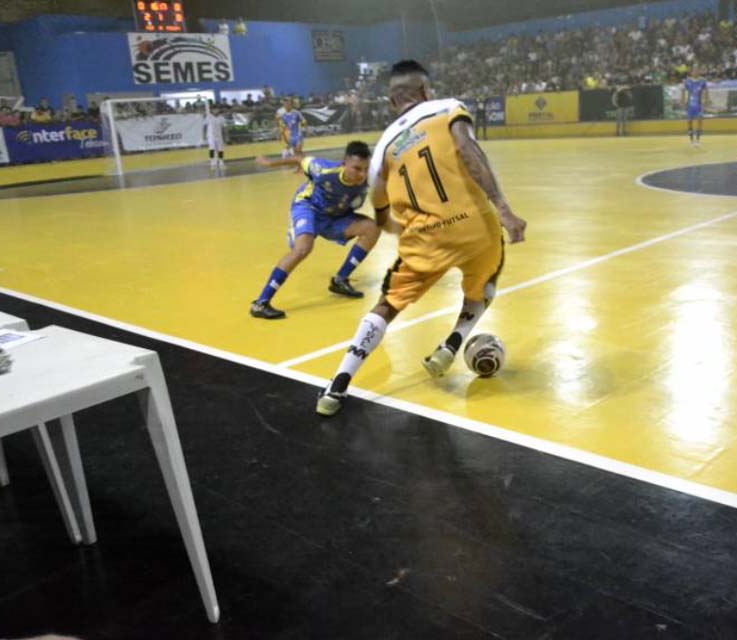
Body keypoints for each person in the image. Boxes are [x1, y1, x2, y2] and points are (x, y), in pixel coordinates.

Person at [315, 60, 527, 416]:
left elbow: (378, 203)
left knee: (387, 305)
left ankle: (336, 386)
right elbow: (468, 151)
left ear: (392, 102)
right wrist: (503, 208)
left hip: (424, 238)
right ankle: (452, 343)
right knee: (484, 283)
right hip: (474, 226)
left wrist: (391, 224)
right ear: (425, 90)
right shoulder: (447, 108)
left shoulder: (383, 147)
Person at [250, 141, 379, 320]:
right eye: (357, 169)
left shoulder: (370, 179)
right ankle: (261, 303)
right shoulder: (323, 169)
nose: (362, 174)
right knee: (303, 249)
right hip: (308, 207)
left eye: (366, 169)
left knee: (372, 228)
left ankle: (340, 280)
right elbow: (299, 158)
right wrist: (269, 163)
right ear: (344, 163)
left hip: (335, 217)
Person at [682, 68, 709, 146]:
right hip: (690, 105)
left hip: (699, 105)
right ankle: (691, 139)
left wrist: (706, 100)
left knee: (700, 121)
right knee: (689, 122)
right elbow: (683, 91)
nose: (695, 72)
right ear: (691, 72)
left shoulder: (703, 81)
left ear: (699, 72)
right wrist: (683, 101)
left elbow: (706, 91)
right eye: (694, 71)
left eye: (697, 71)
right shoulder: (687, 81)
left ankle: (698, 139)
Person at [204, 105, 227, 170]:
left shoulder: (221, 118)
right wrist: (204, 135)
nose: (216, 110)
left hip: (219, 136)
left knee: (220, 149)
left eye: (217, 109)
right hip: (211, 136)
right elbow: (205, 126)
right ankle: (212, 163)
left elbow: (224, 127)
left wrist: (226, 136)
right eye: (214, 109)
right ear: (212, 110)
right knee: (212, 148)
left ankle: (221, 162)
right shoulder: (209, 117)